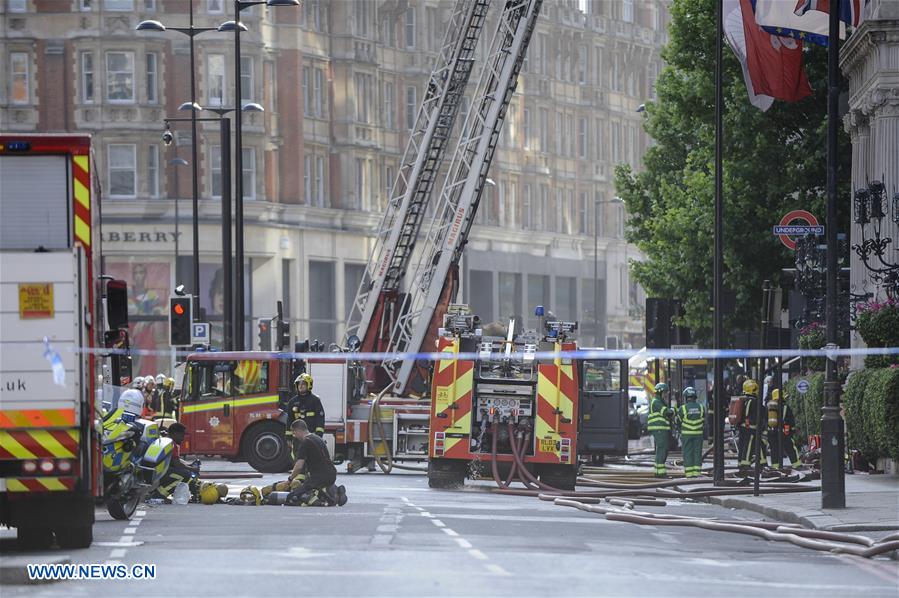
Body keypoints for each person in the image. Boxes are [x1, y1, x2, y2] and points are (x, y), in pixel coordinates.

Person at [285, 419, 346, 507]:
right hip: (331, 474)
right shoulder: (317, 438)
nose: (294, 436)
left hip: (320, 477)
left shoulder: (305, 442)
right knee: (314, 486)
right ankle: (336, 491)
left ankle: (329, 500)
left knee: (294, 496)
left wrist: (290, 479)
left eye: (294, 433)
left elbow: (299, 466)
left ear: (298, 430)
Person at [284, 373, 325, 461]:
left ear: (309, 385)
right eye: (299, 384)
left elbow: (320, 418)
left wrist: (319, 435)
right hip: (297, 438)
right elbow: (289, 420)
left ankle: (309, 474)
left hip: (311, 436)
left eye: (303, 384)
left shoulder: (315, 400)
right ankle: (300, 473)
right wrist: (288, 437)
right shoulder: (292, 402)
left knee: (312, 459)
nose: (300, 386)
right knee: (297, 457)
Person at [154, 422, 200, 500]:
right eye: (182, 435)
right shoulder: (172, 444)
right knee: (185, 475)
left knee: (183, 472)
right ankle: (160, 494)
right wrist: (192, 469)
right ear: (175, 434)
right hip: (162, 473)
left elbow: (175, 459)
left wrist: (188, 464)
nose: (183, 438)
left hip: (158, 471)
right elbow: (177, 464)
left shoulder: (166, 440)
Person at [767, 388, 802, 470]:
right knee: (790, 448)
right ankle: (796, 464)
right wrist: (792, 430)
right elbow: (790, 420)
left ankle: (775, 466)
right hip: (784, 432)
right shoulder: (785, 407)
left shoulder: (769, 407)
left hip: (772, 432)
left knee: (774, 449)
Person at [738, 379, 768, 470]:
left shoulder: (744, 400)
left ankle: (762, 463)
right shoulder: (754, 401)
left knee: (754, 445)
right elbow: (763, 412)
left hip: (743, 427)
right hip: (750, 428)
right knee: (749, 446)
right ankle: (745, 464)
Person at [678, 387, 705, 478]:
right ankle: (697, 473)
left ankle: (689, 474)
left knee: (688, 452)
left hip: (687, 434)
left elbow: (678, 421)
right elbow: (704, 420)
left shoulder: (683, 408)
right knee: (697, 452)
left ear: (686, 397)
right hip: (698, 434)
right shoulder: (701, 407)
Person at [647, 382, 672, 478]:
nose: (666, 395)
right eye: (665, 392)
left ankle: (658, 472)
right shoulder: (657, 401)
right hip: (659, 429)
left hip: (661, 429)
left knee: (662, 449)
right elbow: (666, 412)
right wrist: (673, 411)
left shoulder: (659, 401)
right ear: (660, 392)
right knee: (662, 449)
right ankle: (661, 473)